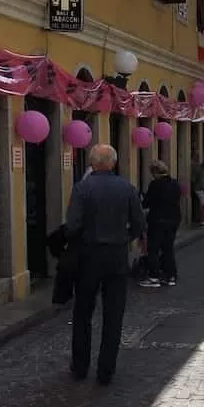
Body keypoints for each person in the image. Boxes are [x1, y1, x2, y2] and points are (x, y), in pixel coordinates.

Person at [66, 144, 145, 385]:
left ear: (92, 163)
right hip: (117, 256)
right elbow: (139, 224)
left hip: (88, 256)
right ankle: (106, 370)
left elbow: (72, 226)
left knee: (82, 313)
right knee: (114, 315)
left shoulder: (82, 188)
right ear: (113, 163)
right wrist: (124, 238)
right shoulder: (127, 188)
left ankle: (80, 366)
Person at [140, 160, 181, 288]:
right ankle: (171, 276)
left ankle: (154, 277)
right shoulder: (175, 183)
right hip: (174, 219)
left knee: (153, 249)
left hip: (158, 220)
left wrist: (142, 200)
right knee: (168, 248)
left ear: (155, 172)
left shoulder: (155, 184)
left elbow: (147, 202)